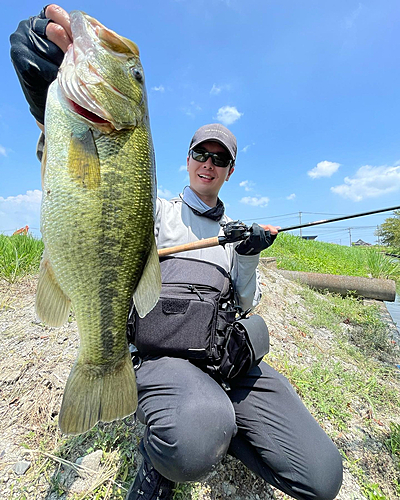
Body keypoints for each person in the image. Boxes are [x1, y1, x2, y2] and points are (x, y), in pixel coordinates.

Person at [10, 6, 343, 500]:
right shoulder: (157, 211)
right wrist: (47, 105)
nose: (208, 163)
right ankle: (175, 444)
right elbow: (93, 195)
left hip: (225, 362)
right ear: (187, 160)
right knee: (193, 437)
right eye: (200, 154)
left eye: (220, 158)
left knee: (321, 477)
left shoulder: (233, 234)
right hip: (169, 354)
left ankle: (218, 427)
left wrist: (248, 254)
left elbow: (245, 304)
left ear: (230, 170)